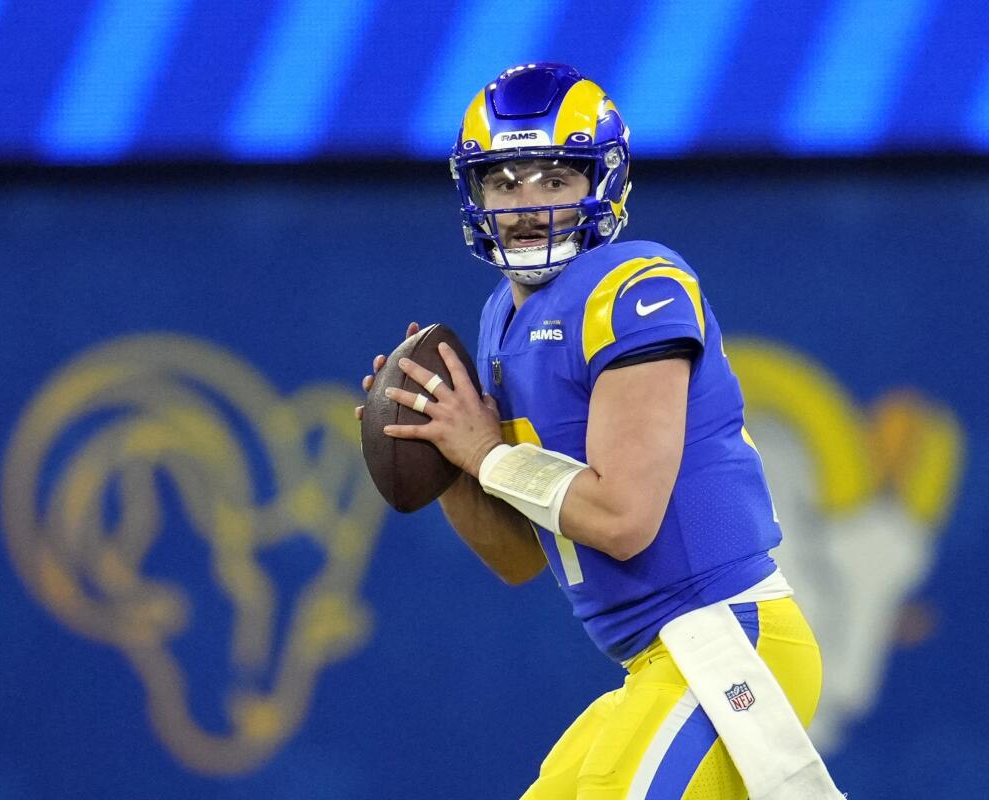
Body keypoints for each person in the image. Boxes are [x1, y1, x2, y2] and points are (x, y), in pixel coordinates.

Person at [357, 64, 843, 799]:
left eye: (553, 178)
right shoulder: (500, 318)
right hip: (655, 662)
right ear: (474, 192)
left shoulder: (635, 289)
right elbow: (520, 557)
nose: (525, 205)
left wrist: (485, 451)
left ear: (600, 185)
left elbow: (622, 519)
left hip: (725, 642)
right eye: (504, 180)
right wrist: (445, 455)